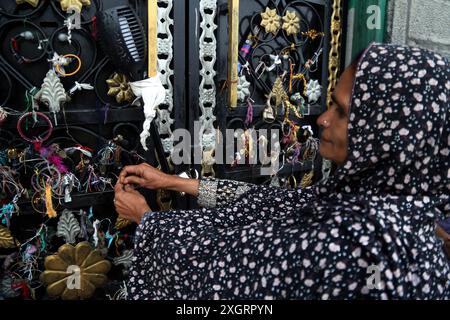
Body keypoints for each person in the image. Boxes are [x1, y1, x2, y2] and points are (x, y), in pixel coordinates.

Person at [114, 43, 450, 299]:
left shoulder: (363, 245)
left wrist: (148, 222)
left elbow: (229, 270)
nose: (323, 119)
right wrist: (171, 181)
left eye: (343, 111)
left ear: (389, 134)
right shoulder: (386, 207)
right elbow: (268, 204)